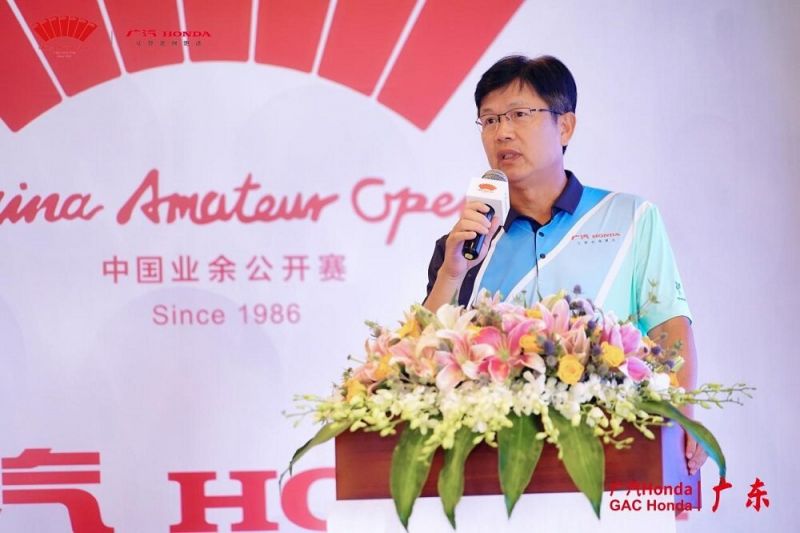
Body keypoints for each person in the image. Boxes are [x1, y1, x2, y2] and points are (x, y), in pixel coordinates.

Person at [423, 55, 707, 475]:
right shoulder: (465, 247)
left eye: (519, 114)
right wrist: (451, 274)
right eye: (490, 120)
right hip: (494, 466)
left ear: (566, 126)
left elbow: (669, 329)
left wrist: (682, 420)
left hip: (615, 453)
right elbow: (425, 360)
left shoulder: (630, 218)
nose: (502, 132)